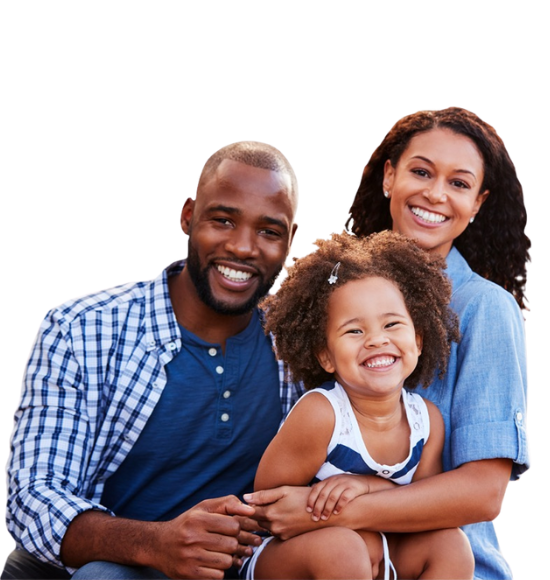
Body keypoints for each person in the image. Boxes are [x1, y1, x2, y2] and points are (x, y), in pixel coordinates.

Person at [245, 107, 531, 579]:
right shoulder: (334, 291)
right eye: (421, 172)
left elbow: (483, 492)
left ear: (477, 203)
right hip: (327, 556)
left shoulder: (485, 308)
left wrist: (338, 508)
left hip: (442, 560)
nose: (435, 193)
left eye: (459, 183)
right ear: (389, 176)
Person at [3, 140, 305, 580]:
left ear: (291, 241)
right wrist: (156, 544)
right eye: (223, 220)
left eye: (269, 231)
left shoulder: (300, 346)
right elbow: (34, 498)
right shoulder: (83, 329)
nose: (243, 247)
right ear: (188, 216)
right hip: (107, 566)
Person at [243, 230, 474, 580]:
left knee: (451, 544)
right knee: (344, 549)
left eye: (392, 324)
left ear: (418, 340)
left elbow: (424, 508)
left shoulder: (426, 422)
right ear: (325, 356)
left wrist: (368, 488)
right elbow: (268, 506)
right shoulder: (322, 414)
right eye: (354, 331)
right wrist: (339, 513)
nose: (377, 340)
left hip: (380, 552)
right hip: (291, 557)